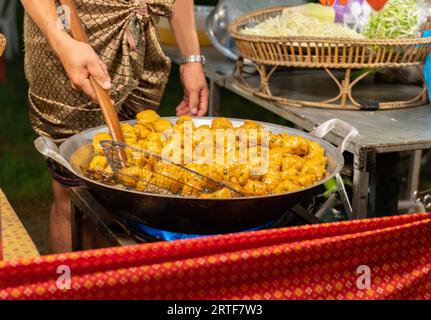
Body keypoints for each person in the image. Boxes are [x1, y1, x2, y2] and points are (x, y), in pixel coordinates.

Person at [21, 0, 209, 253]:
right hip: (70, 32)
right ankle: (71, 289)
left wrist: (191, 58)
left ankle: (116, 282)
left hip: (139, 37)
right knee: (73, 196)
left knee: (133, 185)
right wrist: (62, 42)